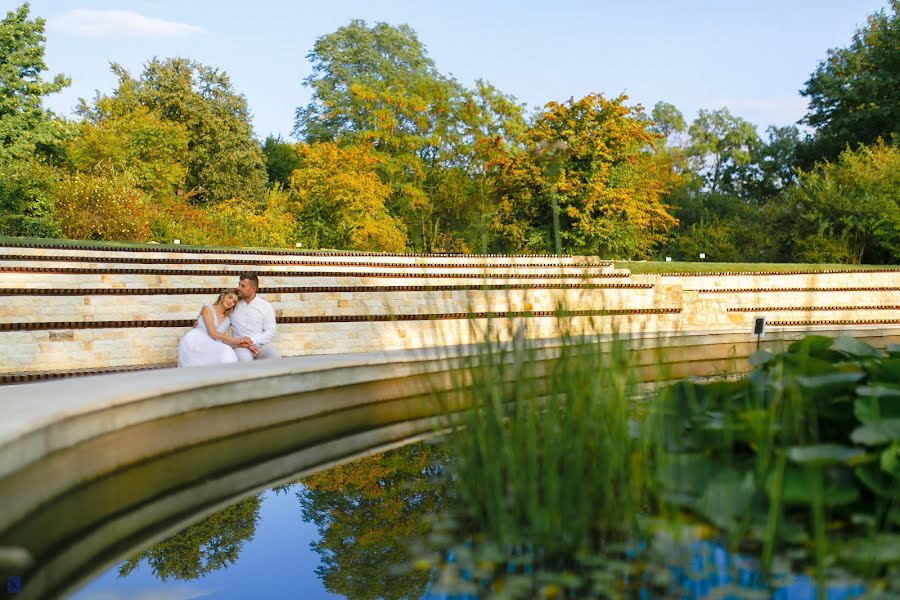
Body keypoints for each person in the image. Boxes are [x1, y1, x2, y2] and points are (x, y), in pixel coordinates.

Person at [177, 289, 245, 367]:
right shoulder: (207, 308)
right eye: (230, 297)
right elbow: (213, 333)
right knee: (226, 350)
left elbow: (225, 341)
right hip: (197, 340)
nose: (231, 302)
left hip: (211, 345)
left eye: (234, 302)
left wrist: (242, 344)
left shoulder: (227, 319)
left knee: (226, 350)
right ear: (223, 296)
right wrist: (238, 340)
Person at [230, 272, 281, 361]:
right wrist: (245, 344)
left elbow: (271, 331)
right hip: (240, 346)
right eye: (239, 285)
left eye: (243, 286)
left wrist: (253, 341)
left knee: (274, 355)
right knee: (245, 359)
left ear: (253, 289)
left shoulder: (265, 306)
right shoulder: (232, 304)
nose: (238, 288)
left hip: (260, 346)